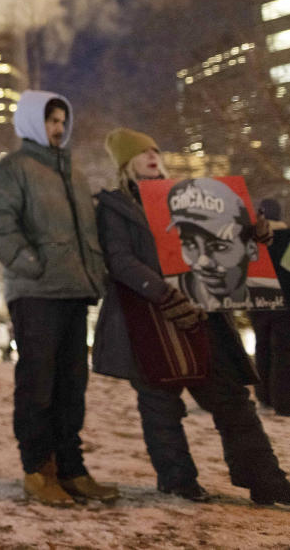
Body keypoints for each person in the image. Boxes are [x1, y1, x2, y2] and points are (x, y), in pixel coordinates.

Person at [92, 128, 290, 505]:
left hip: (205, 314)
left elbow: (227, 241)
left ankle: (265, 479)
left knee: (232, 399)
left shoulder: (191, 196)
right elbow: (119, 260)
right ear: (125, 162)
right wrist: (164, 293)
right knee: (161, 403)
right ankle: (177, 479)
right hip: (148, 317)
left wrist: (255, 235)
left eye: (155, 149)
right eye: (141, 152)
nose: (152, 155)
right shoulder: (115, 206)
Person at [0, 91, 116, 506]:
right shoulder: (15, 167)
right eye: (50, 120)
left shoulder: (73, 172)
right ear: (32, 123)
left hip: (75, 288)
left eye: (61, 120)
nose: (58, 128)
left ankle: (71, 469)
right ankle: (38, 470)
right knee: (38, 384)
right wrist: (30, 262)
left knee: (73, 386)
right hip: (36, 292)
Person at [165, 177, 280, 311]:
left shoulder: (270, 293)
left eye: (219, 246)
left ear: (251, 249)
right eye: (190, 244)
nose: (203, 261)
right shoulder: (169, 293)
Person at [252, 198, 290, 416]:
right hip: (284, 302)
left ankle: (263, 395)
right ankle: (284, 402)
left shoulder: (253, 239)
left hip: (258, 299)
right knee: (283, 352)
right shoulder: (286, 237)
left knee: (262, 346)